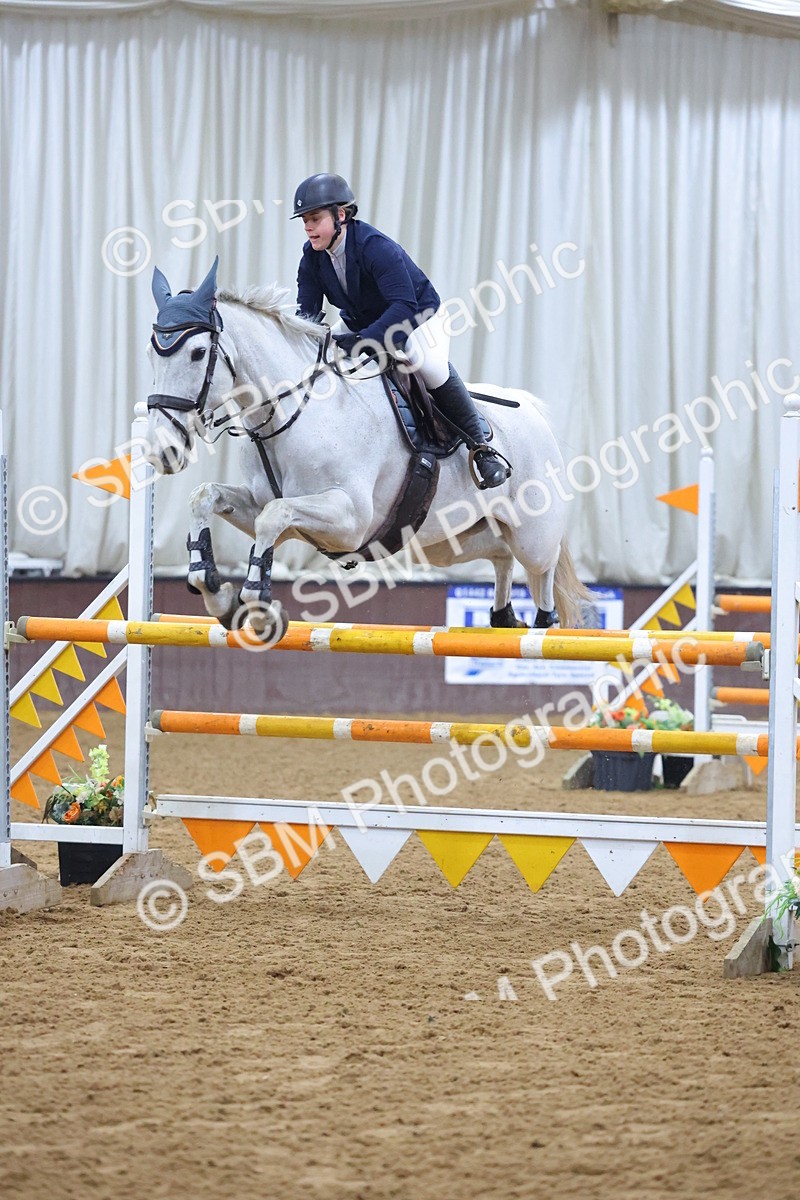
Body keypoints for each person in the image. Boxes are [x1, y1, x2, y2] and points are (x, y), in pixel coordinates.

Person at [292, 172, 510, 489]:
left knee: (428, 366)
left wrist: (364, 341)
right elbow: (308, 314)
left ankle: (481, 448)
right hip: (362, 320)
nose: (308, 227)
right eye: (304, 220)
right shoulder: (311, 257)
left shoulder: (374, 247)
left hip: (418, 318)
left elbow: (402, 307)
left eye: (314, 218)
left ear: (340, 215)